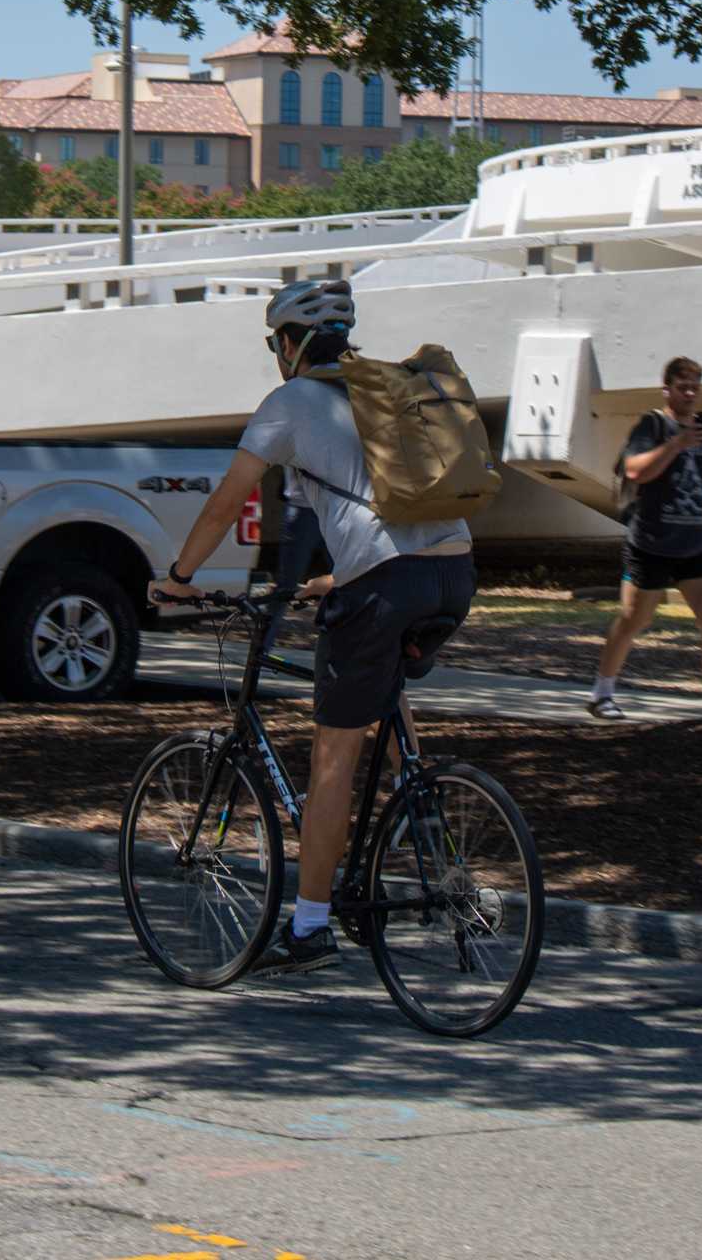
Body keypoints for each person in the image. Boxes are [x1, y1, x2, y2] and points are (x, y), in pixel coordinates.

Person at [148, 278, 476, 976]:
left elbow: (223, 505)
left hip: (387, 584)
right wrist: (328, 581)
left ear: (290, 343)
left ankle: (310, 925)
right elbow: (385, 507)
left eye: (275, 342)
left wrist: (177, 578)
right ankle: (430, 830)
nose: (275, 354)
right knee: (384, 693)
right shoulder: (383, 388)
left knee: (332, 760)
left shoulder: (290, 402)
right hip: (454, 571)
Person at [588, 354, 702, 728]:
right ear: (667, 389)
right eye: (683, 387)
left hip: (699, 544)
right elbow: (634, 470)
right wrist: (677, 444)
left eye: (696, 386)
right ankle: (602, 692)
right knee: (634, 618)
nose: (691, 393)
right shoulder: (652, 425)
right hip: (651, 543)